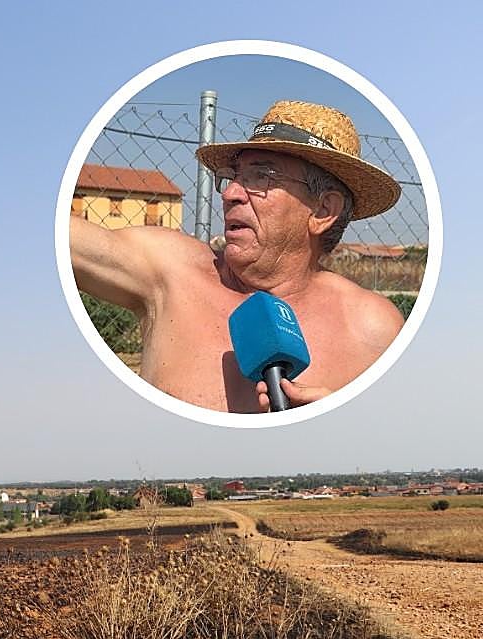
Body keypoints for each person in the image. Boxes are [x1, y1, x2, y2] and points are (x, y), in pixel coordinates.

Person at [70, 100, 405, 413]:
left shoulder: (374, 328)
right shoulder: (169, 267)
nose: (230, 193)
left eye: (261, 177)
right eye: (233, 177)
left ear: (323, 210)